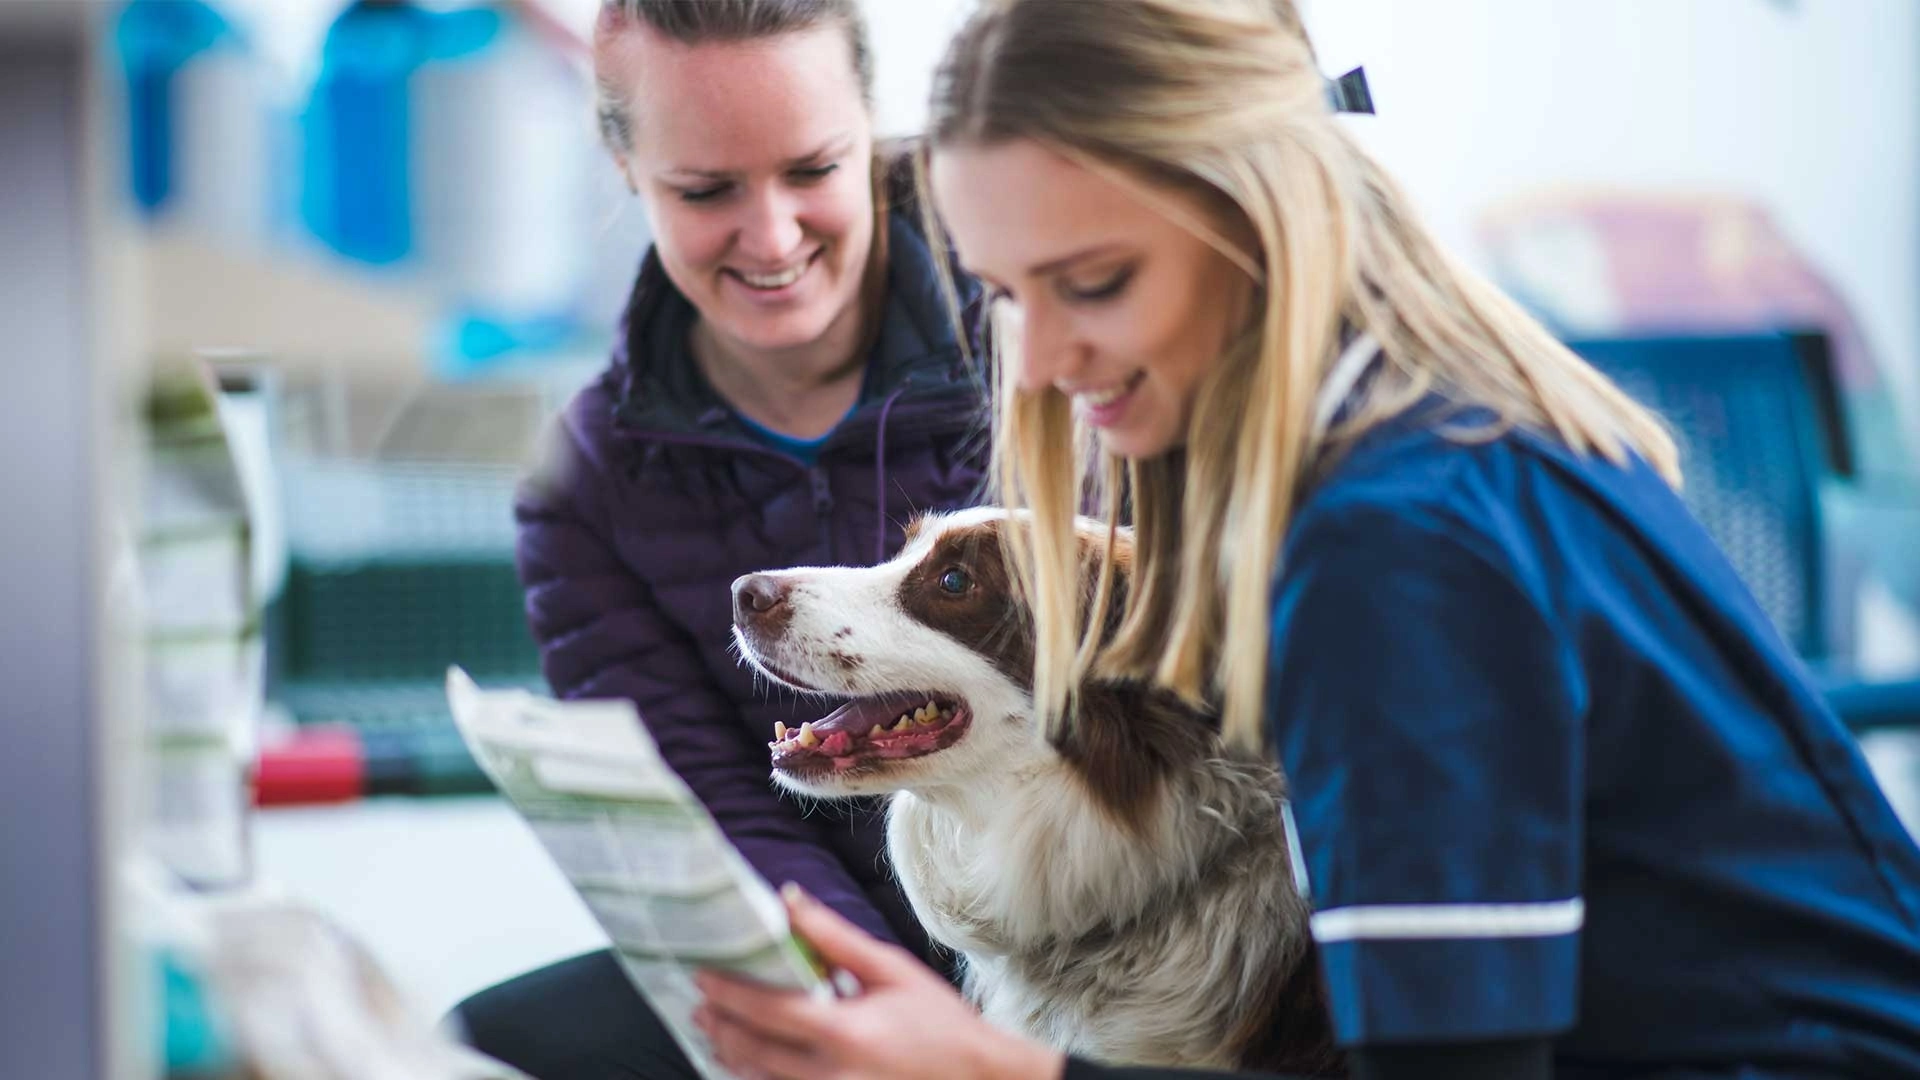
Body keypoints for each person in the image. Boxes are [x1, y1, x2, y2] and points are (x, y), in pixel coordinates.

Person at [691, 1, 1920, 1078]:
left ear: (1260, 225)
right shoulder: (1440, 444)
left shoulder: (1393, 546)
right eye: (1010, 293)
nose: (1049, 362)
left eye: (1098, 280)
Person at [450, 1, 988, 1076]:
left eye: (813, 169)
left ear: (870, 124)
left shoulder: (1041, 331)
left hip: (1074, 925)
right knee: (475, 1048)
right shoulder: (586, 482)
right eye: (705, 191)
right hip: (814, 939)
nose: (774, 235)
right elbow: (709, 808)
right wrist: (861, 1011)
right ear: (622, 164)